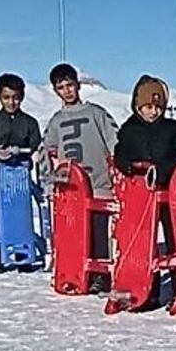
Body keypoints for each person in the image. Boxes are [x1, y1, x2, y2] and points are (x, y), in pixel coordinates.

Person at [112, 75, 176, 308]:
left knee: (175, 240)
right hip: (140, 197)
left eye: (158, 107)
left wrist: (165, 169)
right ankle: (148, 291)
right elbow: (120, 155)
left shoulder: (173, 129)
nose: (153, 112)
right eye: (148, 107)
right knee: (143, 245)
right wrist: (128, 166)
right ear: (138, 106)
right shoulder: (129, 130)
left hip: (169, 194)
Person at [39, 62, 119, 291]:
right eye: (61, 87)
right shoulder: (56, 121)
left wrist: (119, 170)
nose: (67, 91)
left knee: (99, 231)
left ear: (78, 85)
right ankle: (75, 274)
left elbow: (115, 142)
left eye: (70, 85)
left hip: (99, 184)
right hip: (72, 190)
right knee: (75, 233)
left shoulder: (96, 113)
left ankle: (101, 276)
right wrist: (50, 178)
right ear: (55, 91)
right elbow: (45, 150)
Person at [0, 73, 43, 272]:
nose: (11, 102)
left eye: (15, 97)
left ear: (22, 97)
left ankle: (24, 256)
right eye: (6, 97)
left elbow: (36, 145)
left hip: (20, 178)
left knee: (21, 217)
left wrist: (25, 153)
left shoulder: (29, 122)